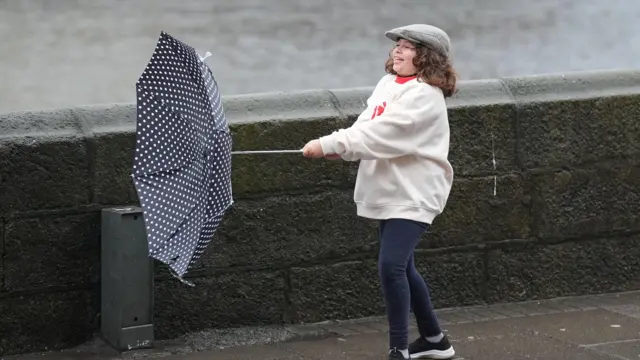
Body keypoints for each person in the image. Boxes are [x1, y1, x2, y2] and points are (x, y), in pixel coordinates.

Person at [302, 24, 457, 360]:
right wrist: (338, 149)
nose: (397, 51)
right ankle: (434, 340)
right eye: (397, 46)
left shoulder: (424, 96)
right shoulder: (389, 83)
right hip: (390, 189)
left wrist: (329, 142)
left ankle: (399, 349)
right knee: (403, 266)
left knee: (391, 266)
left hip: (414, 192)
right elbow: (367, 126)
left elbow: (385, 132)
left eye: (407, 47)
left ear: (427, 57)